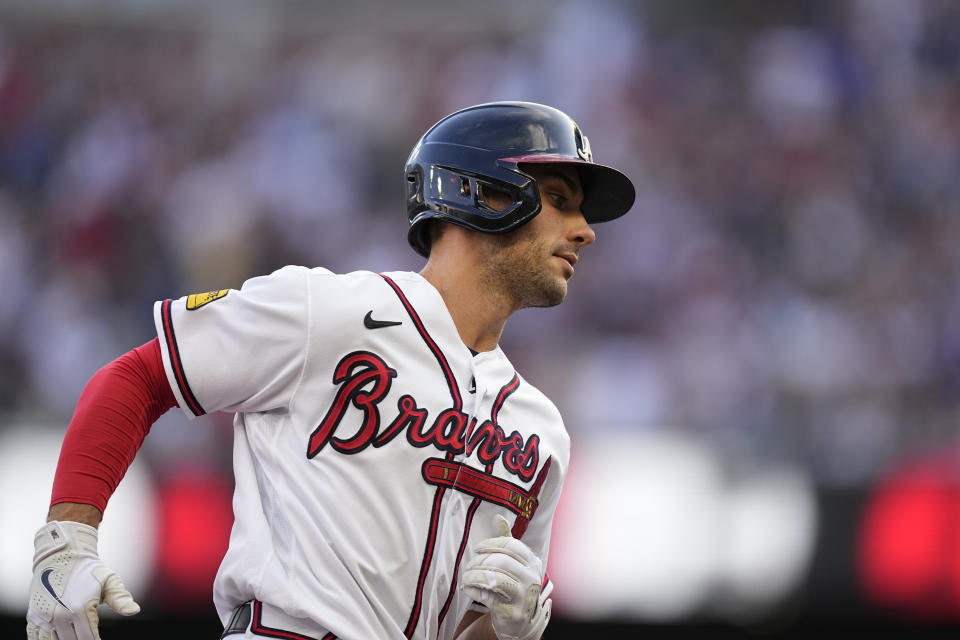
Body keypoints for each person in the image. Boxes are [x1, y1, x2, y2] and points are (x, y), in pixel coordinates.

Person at [26, 101, 635, 640]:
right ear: (483, 192)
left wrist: (510, 632)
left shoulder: (541, 430)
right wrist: (68, 538)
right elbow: (138, 378)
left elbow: (469, 629)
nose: (584, 232)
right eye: (559, 201)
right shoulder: (329, 311)